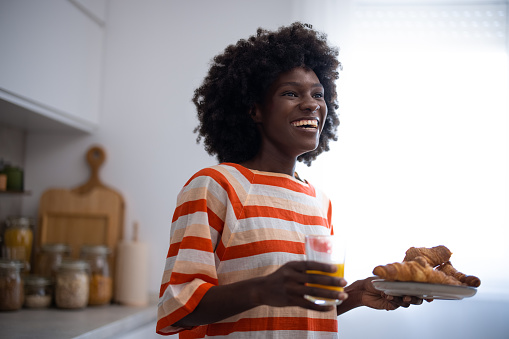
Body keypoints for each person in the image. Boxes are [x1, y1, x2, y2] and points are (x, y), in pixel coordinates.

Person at [157, 22, 423, 338]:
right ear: (255, 110)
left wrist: (356, 295)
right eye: (291, 93)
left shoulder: (319, 201)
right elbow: (176, 307)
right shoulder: (217, 186)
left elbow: (298, 307)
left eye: (318, 94)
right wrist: (263, 289)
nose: (311, 103)